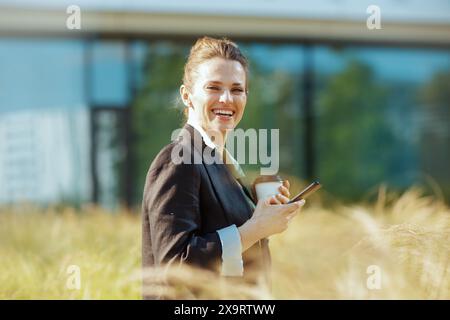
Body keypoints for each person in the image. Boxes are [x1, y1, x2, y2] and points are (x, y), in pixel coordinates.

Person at [141, 36, 305, 299]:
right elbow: (174, 268)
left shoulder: (224, 165)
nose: (227, 99)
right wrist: (255, 229)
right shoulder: (178, 159)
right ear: (187, 96)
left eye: (237, 89)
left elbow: (232, 260)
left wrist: (260, 215)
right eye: (214, 88)